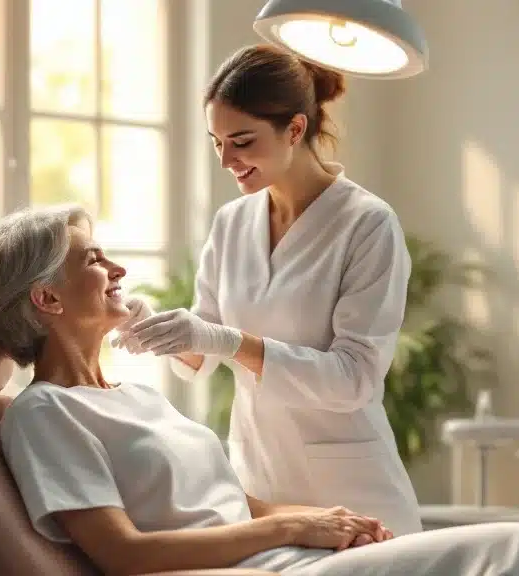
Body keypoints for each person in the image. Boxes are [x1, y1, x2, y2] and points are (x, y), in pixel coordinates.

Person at [0, 205, 519, 576]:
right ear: (46, 298)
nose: (119, 269)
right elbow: (123, 554)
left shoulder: (134, 397)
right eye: (94, 259)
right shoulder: (42, 414)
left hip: (285, 561)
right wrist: (290, 526)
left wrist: (323, 522)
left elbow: (231, 501)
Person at [114, 44, 422, 536]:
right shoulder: (232, 222)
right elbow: (201, 351)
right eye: (216, 142)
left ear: (295, 129)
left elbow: (355, 378)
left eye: (241, 141)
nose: (226, 160)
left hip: (355, 492)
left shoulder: (366, 224)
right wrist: (151, 323)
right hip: (260, 484)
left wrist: (231, 342)